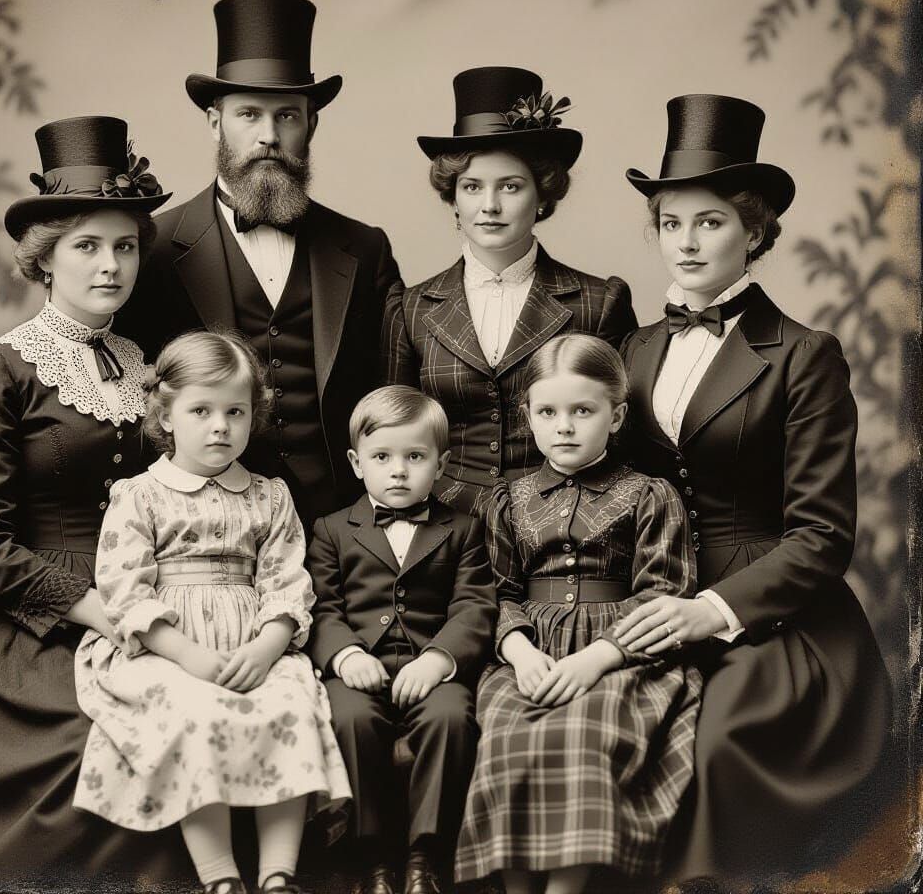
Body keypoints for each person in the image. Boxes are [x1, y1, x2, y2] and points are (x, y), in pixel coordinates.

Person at [0, 117, 201, 888]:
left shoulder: (142, 368)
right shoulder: (2, 370)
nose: (111, 266)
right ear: (45, 260)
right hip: (24, 633)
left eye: (126, 246)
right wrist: (100, 611)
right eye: (87, 247)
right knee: (100, 747)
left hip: (145, 594)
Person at [615, 93, 892, 883]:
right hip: (651, 591)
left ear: (755, 231)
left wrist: (711, 610)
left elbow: (822, 536)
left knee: (720, 733)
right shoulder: (634, 350)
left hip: (770, 613)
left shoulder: (805, 355)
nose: (688, 243)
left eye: (711, 223)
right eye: (672, 223)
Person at [73, 330, 351, 894]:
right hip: (165, 643)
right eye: (201, 410)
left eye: (236, 411)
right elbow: (123, 587)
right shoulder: (139, 494)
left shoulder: (270, 495)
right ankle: (220, 877)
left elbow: (287, 579)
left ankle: (278, 876)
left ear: (254, 417)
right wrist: (185, 652)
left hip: (253, 636)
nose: (220, 426)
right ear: (166, 415)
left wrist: (270, 643)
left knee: (291, 702)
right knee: (190, 712)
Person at [116, 0, 403, 525]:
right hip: (203, 530)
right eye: (249, 114)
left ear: (311, 125)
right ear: (214, 122)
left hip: (344, 527)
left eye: (287, 116)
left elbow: (394, 402)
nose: (269, 136)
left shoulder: (365, 249)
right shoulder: (152, 248)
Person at [455, 335, 701, 894]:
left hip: (622, 651)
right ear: (528, 419)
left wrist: (598, 658)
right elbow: (491, 593)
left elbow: (663, 592)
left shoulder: (649, 495)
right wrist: (518, 652)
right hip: (528, 650)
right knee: (507, 733)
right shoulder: (506, 500)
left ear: (615, 417)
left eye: (582, 411)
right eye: (548, 412)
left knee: (585, 732)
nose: (564, 426)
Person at [385, 66, 637, 518]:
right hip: (441, 530)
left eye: (510, 186)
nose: (490, 206)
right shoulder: (412, 308)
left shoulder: (599, 302)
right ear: (454, 198)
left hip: (564, 531)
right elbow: (392, 435)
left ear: (542, 195)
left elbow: (622, 435)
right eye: (472, 187)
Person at [305, 386, 496, 894]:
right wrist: (344, 655)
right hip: (358, 668)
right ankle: (372, 859)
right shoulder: (331, 529)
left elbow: (474, 604)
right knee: (348, 717)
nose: (398, 470)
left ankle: (424, 856)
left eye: (415, 457)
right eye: (382, 457)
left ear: (442, 463)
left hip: (430, 670)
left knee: (452, 717)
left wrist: (438, 660)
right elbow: (322, 606)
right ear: (355, 462)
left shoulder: (463, 528)